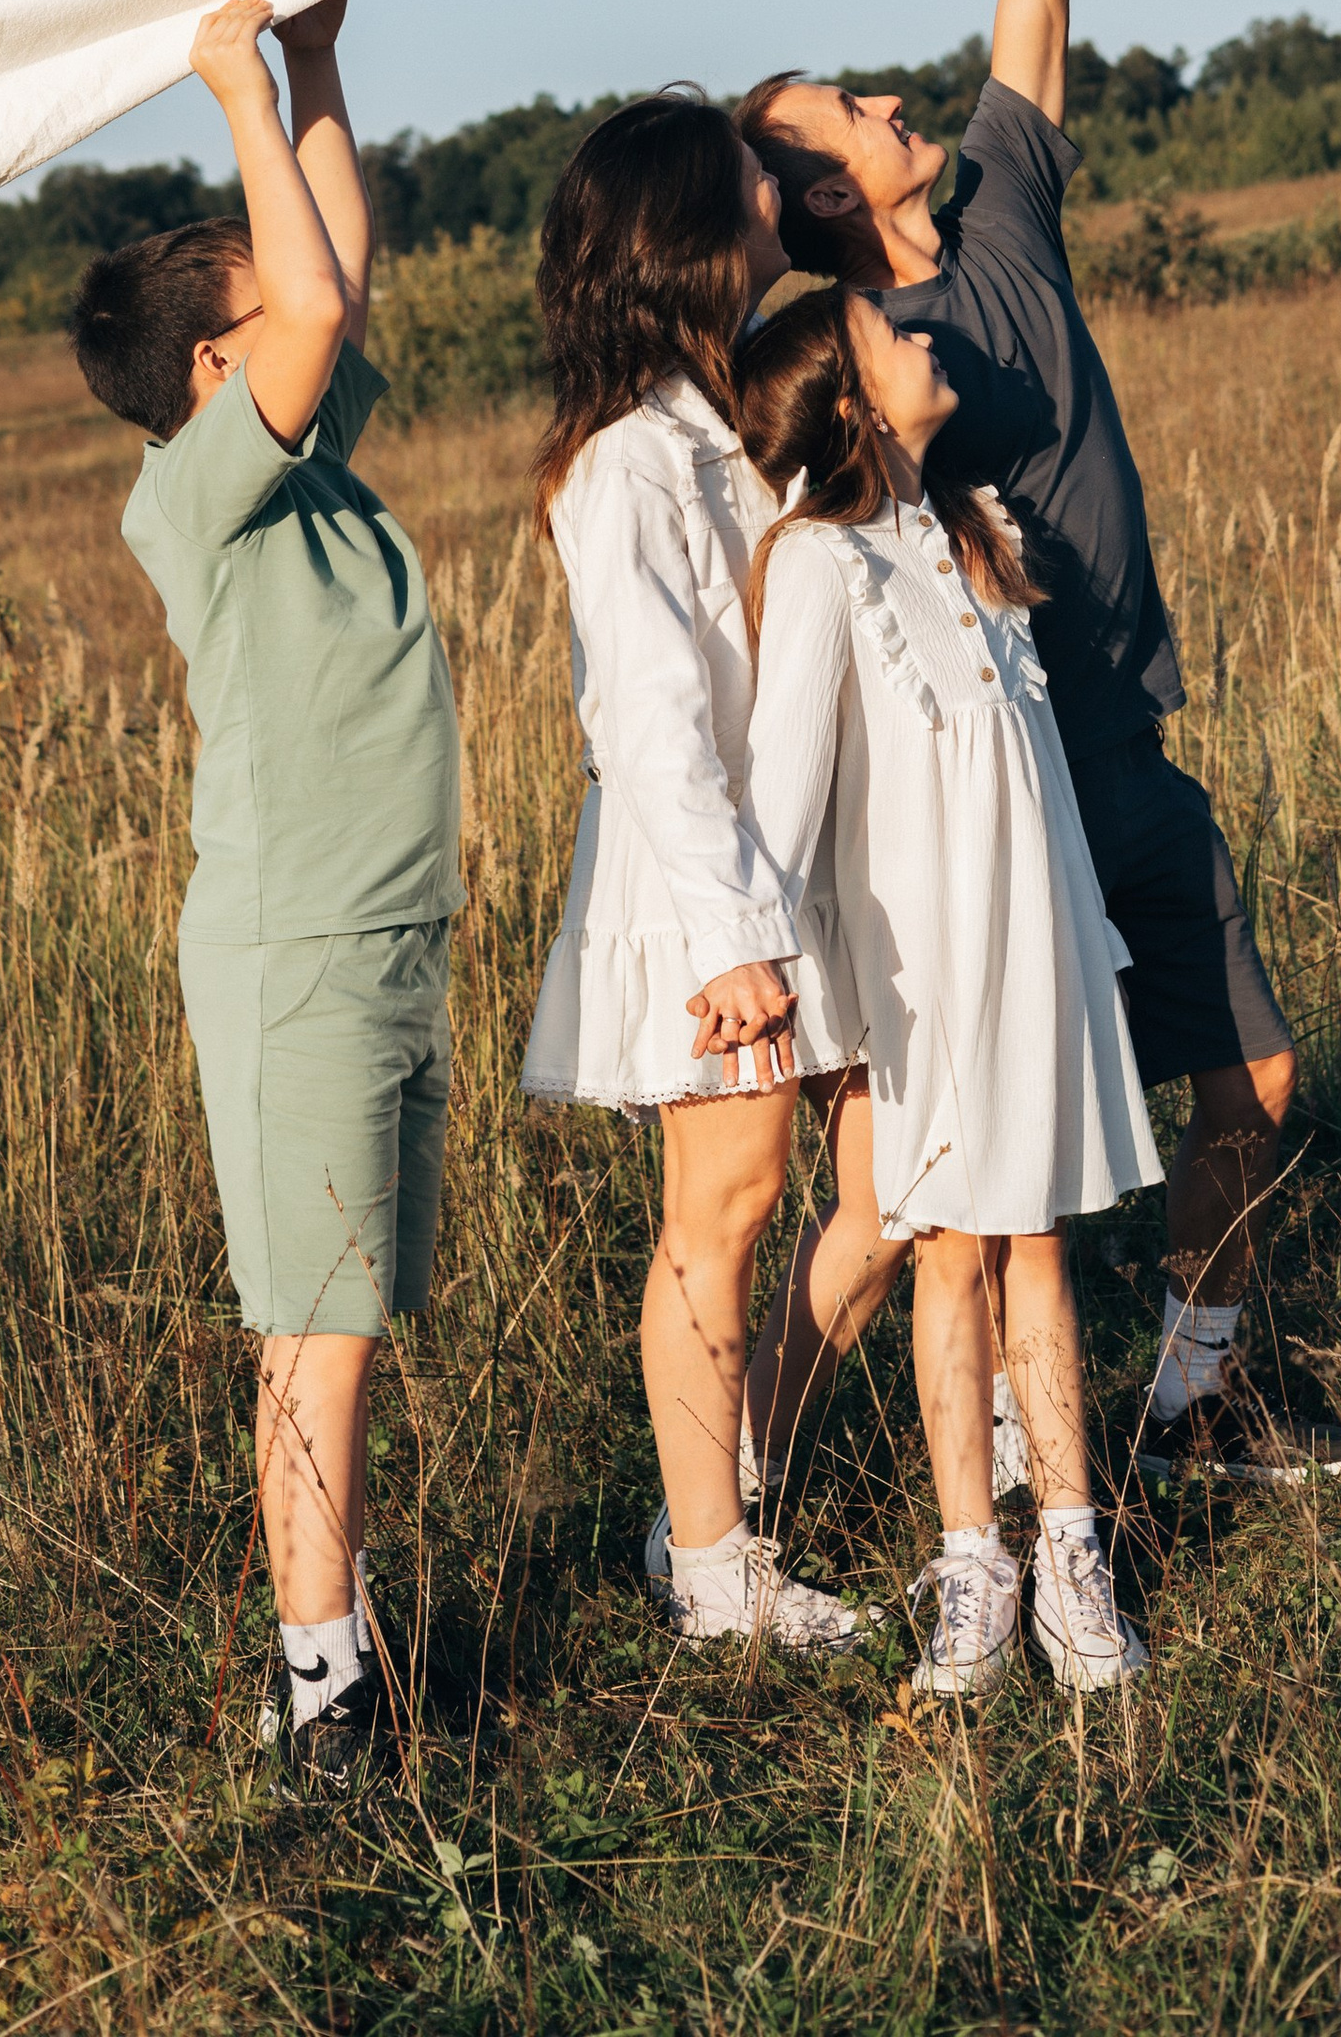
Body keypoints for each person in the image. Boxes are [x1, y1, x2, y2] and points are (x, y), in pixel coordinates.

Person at [739, 0, 1341, 1493]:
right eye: (847, 111)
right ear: (824, 196)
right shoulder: (854, 344)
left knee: (1251, 1080)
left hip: (1127, 753)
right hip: (989, 797)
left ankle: (1197, 1395)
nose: (889, 99)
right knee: (911, 1186)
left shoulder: (1004, 199)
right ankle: (733, 1500)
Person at [70, 0, 462, 1798]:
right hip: (301, 954)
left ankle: (338, 1657)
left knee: (352, 1324)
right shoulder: (198, 491)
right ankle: (324, 1697)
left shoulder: (296, 468)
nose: (311, 299)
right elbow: (309, 293)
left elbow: (332, 281)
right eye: (266, 297)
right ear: (218, 368)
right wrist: (228, 72)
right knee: (317, 1337)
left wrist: (312, 70)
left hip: (380, 942)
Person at [733, 282, 1155, 1693]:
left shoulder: (973, 533)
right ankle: (973, 1558)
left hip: (1032, 935)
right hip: (924, 959)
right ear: (849, 400)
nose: (926, 341)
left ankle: (1075, 1548)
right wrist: (758, 957)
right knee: (946, 1250)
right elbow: (785, 786)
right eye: (890, 336)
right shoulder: (819, 560)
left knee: (1036, 1236)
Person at [518, 91, 869, 1649]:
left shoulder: (722, 418)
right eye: (749, 190)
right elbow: (649, 714)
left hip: (785, 867)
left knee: (864, 1195)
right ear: (685, 236)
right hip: (701, 889)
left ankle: (728, 1490)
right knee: (722, 1209)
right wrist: (733, 937)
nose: (772, 205)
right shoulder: (625, 468)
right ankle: (715, 1573)